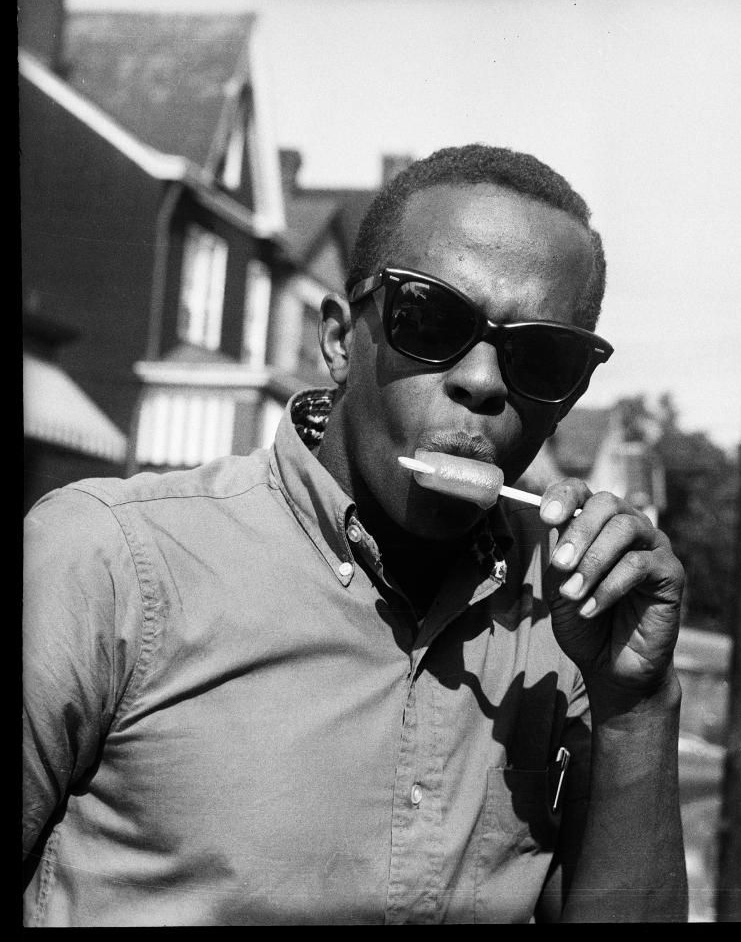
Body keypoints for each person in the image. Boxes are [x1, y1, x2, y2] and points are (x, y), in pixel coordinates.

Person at [23, 144, 688, 925]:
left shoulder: (572, 626)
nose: (481, 382)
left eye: (541, 356)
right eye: (432, 317)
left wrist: (636, 706)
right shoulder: (105, 565)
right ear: (339, 340)